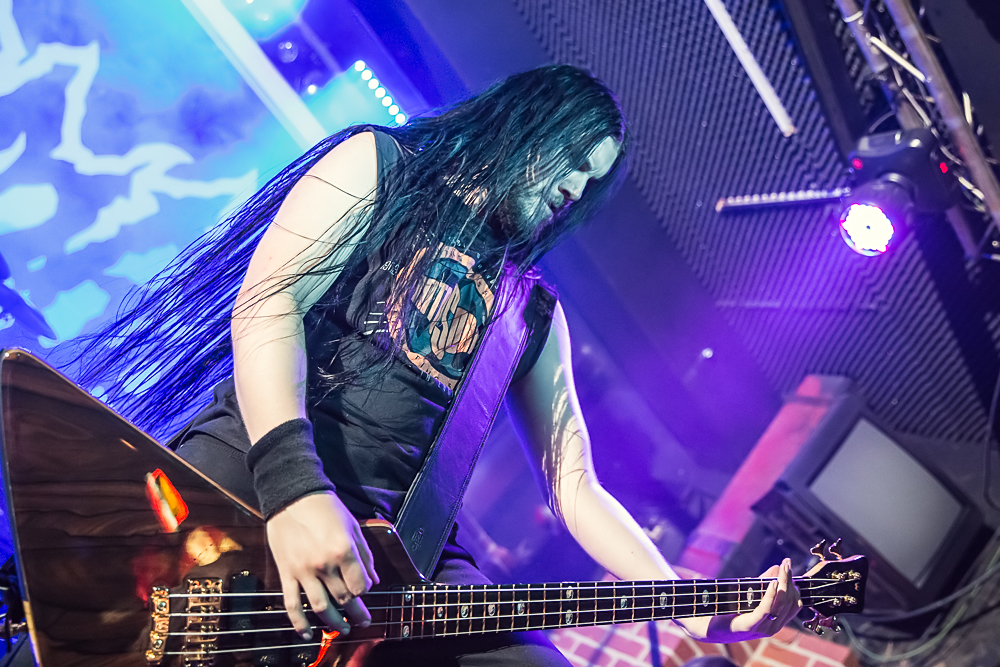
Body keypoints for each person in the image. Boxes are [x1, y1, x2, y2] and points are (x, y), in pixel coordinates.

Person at [76, 65, 801, 666]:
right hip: (253, 479)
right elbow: (269, 305)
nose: (578, 190)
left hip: (394, 557)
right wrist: (296, 488)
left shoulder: (531, 313)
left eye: (593, 183)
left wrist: (688, 603)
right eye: (578, 161)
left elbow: (574, 483)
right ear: (530, 124)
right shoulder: (380, 164)